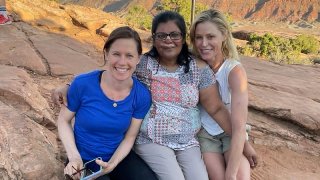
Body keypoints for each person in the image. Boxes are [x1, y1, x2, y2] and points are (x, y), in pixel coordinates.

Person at [53, 11, 233, 180]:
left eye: (174, 35)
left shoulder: (191, 71)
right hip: (126, 146)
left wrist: (239, 138)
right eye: (161, 35)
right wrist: (68, 86)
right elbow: (110, 74)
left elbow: (216, 108)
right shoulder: (136, 67)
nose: (168, 40)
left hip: (160, 147)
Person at [57, 26, 157, 180]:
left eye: (129, 55)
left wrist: (113, 163)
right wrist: (74, 158)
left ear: (138, 59)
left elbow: (130, 137)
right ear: (106, 54)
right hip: (82, 159)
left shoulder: (141, 95)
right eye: (116, 54)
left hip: (117, 156)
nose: (122, 62)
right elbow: (64, 120)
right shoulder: (83, 84)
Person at [190, 9, 257, 180]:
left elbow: (239, 126)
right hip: (205, 133)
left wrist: (233, 171)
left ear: (224, 35)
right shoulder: (192, 65)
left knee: (239, 176)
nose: (203, 43)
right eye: (199, 37)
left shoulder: (233, 71)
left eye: (210, 37)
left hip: (231, 133)